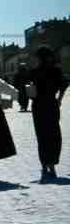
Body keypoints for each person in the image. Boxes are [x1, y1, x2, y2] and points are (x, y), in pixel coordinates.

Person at [29, 45, 67, 182]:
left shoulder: (34, 72)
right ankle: (52, 166)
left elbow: (30, 90)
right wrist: (59, 99)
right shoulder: (56, 71)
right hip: (51, 104)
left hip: (38, 106)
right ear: (50, 56)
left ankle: (45, 165)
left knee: (42, 135)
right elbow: (64, 85)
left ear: (39, 57)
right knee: (54, 134)